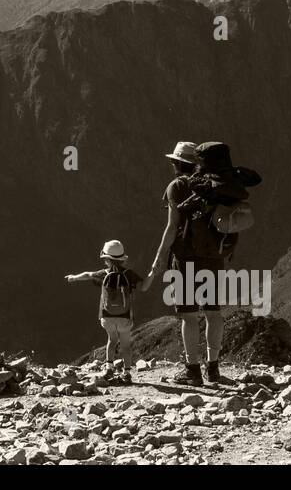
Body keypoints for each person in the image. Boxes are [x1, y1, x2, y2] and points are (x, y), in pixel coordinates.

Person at [141, 141, 225, 385]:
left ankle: (192, 370)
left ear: (178, 163)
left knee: (189, 316)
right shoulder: (214, 184)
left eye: (173, 161)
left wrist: (158, 258)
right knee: (213, 313)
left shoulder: (177, 186)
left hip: (186, 258)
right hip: (213, 256)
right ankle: (214, 369)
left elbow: (172, 226)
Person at [65, 240, 140, 372]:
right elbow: (144, 286)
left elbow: (88, 275)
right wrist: (153, 273)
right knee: (125, 345)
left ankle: (109, 368)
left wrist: (73, 277)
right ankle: (127, 372)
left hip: (107, 316)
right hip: (125, 317)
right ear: (122, 259)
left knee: (111, 340)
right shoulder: (129, 274)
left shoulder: (103, 274)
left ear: (106, 259)